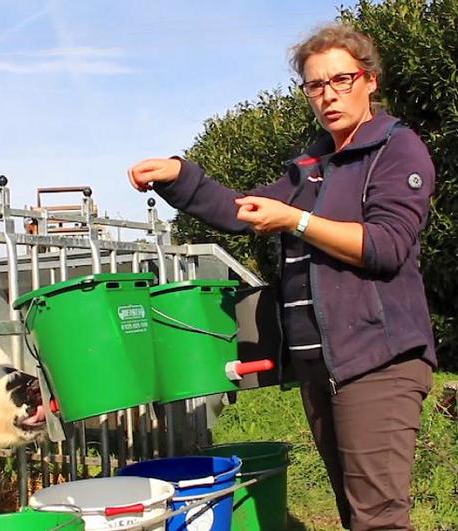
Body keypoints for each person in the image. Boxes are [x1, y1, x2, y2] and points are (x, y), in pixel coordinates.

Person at [128, 24, 436, 531]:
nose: (329, 95)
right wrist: (181, 176)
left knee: (378, 519)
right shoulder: (313, 166)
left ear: (370, 80)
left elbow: (386, 246)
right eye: (316, 85)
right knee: (355, 512)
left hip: (379, 360)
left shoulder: (396, 151)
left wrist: (296, 220)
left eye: (342, 79)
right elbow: (241, 210)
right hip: (323, 366)